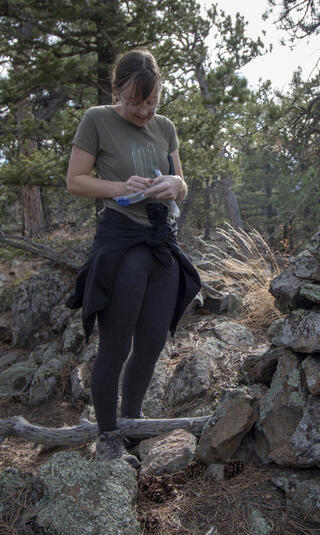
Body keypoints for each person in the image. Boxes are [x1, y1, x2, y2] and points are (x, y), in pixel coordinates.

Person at [65, 50, 201, 467]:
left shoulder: (166, 127)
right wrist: (122, 185)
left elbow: (182, 185)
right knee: (116, 344)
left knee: (152, 343)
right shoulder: (97, 120)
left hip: (162, 241)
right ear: (116, 90)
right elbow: (75, 181)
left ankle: (132, 419)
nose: (144, 111)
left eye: (152, 102)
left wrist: (176, 184)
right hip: (121, 240)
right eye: (135, 102)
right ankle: (107, 435)